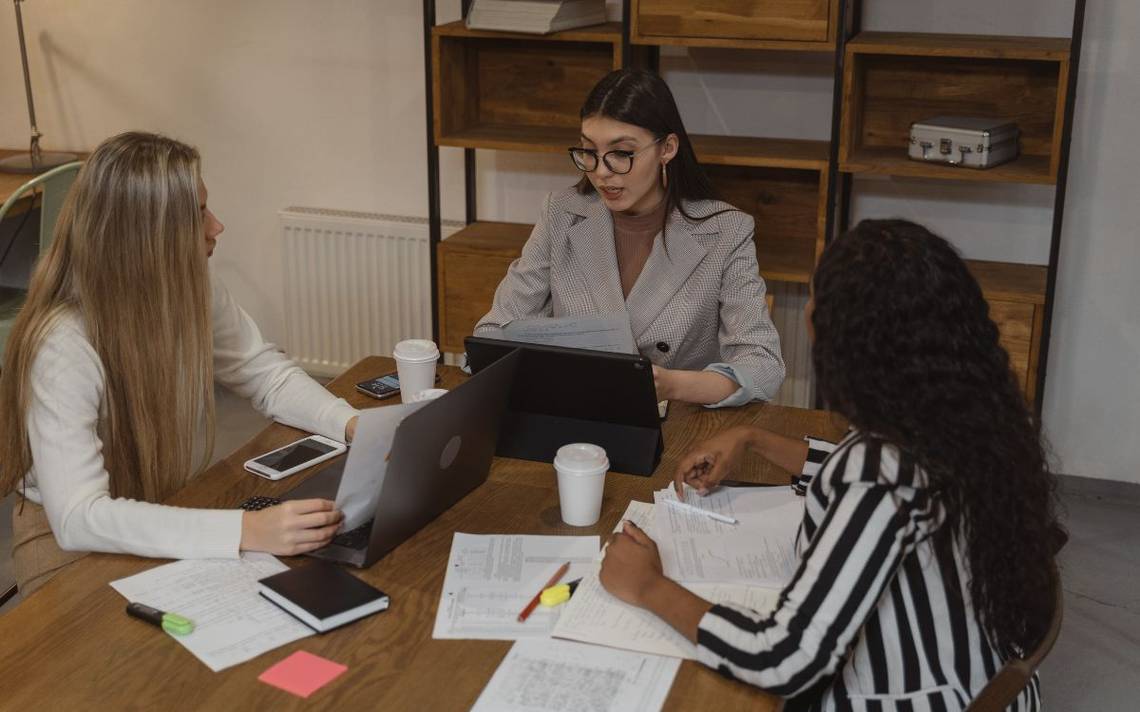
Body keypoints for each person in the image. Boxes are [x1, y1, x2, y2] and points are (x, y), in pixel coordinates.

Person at [599, 220, 1063, 710]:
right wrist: (754, 437)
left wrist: (649, 586)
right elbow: (876, 484)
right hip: (975, 676)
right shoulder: (961, 419)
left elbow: (784, 658)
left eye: (816, 297)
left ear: (848, 339)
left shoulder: (879, 474)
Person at [0, 132, 359, 596]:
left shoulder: (188, 285)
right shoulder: (62, 343)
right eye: (199, 214)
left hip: (151, 505)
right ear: (148, 237)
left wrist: (353, 424)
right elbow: (79, 517)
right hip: (65, 543)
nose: (217, 226)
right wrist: (246, 530)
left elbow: (263, 372)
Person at [475, 69, 784, 406]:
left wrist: (672, 386)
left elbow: (763, 366)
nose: (601, 172)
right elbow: (494, 333)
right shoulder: (561, 213)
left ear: (667, 148)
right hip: (576, 415)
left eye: (621, 154)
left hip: (679, 429)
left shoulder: (725, 231)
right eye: (588, 151)